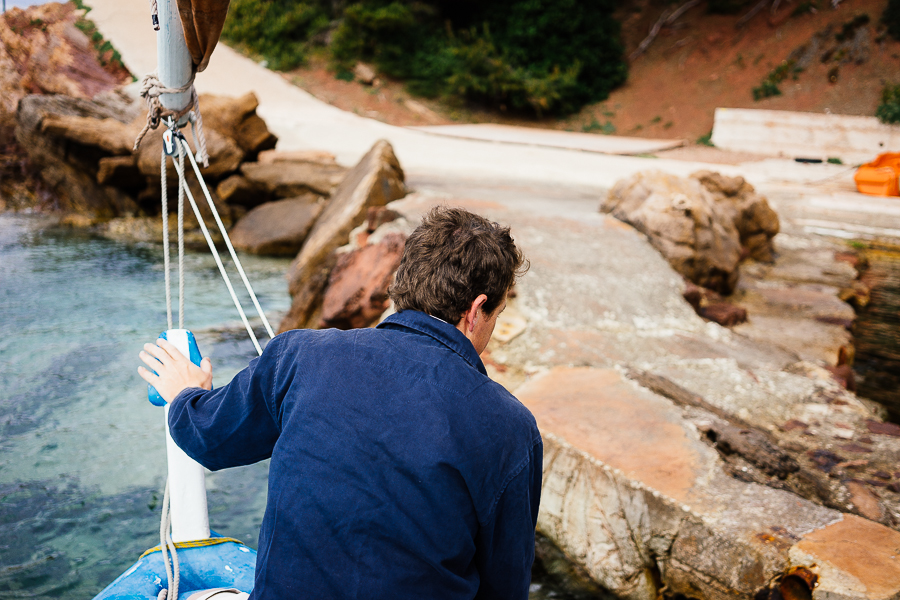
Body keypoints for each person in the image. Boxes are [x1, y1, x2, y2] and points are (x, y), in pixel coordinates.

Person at [138, 206, 543, 600]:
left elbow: (209, 438)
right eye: (497, 314)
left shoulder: (299, 354)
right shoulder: (510, 427)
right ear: (476, 311)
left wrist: (186, 394)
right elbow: (505, 586)